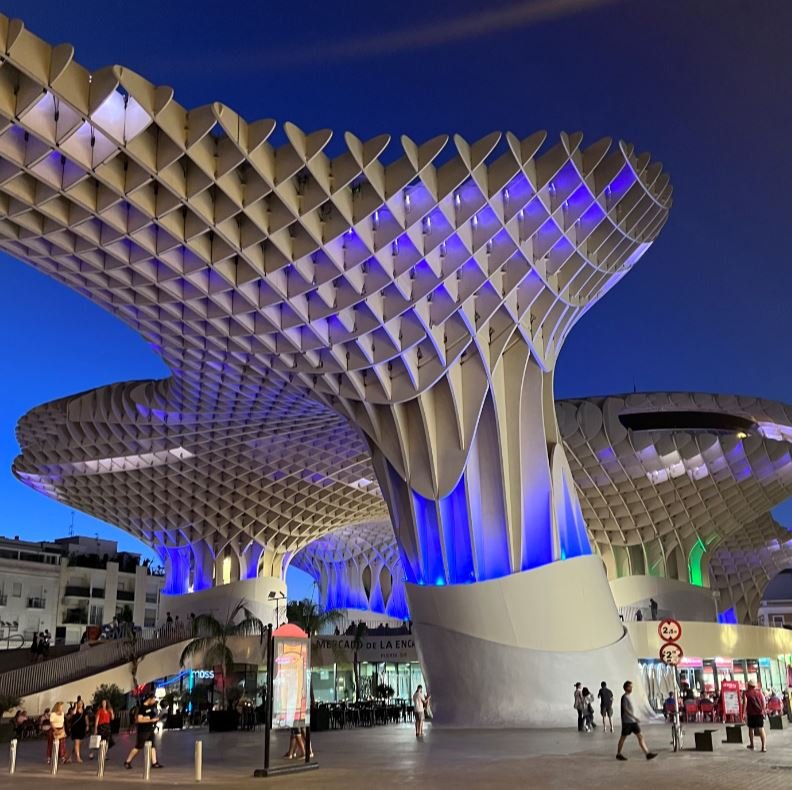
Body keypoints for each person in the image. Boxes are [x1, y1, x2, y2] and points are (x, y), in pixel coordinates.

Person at [616, 681, 656, 761]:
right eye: (630, 687)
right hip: (627, 722)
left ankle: (647, 753)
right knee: (623, 737)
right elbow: (625, 709)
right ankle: (618, 754)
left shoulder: (629, 696)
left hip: (633, 722)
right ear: (626, 688)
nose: (631, 688)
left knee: (640, 736)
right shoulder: (624, 697)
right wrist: (634, 717)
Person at [124, 691, 164, 770]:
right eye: (153, 699)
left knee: (153, 745)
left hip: (150, 729)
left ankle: (154, 762)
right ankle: (127, 761)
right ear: (150, 699)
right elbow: (139, 720)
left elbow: (151, 717)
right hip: (143, 730)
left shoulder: (151, 707)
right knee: (139, 746)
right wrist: (150, 720)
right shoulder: (142, 708)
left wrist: (155, 719)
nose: (154, 701)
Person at [745, 680, 767, 752]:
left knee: (751, 728)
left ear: (749, 686)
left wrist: (743, 713)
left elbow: (745, 703)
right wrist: (763, 710)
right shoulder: (760, 693)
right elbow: (764, 702)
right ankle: (763, 747)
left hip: (751, 714)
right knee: (761, 729)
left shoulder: (747, 693)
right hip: (759, 714)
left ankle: (752, 744)